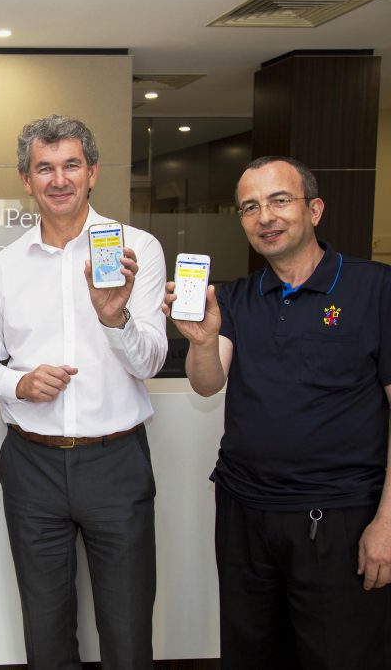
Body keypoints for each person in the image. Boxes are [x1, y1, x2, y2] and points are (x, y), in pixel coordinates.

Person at [163, 156, 391, 668]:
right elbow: (206, 384)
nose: (264, 216)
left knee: (341, 656)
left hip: (341, 519)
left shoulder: (375, 289)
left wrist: (389, 522)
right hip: (245, 514)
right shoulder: (239, 297)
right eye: (250, 207)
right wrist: (201, 339)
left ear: (315, 209)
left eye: (279, 200)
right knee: (251, 654)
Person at [0, 115, 167, 669]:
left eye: (71, 166)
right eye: (45, 168)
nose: (59, 180)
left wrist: (114, 318)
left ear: (93, 172)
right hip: (31, 465)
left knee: (128, 630)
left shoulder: (138, 249)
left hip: (117, 462)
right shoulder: (6, 267)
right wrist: (20, 383)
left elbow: (151, 359)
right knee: (46, 629)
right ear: (25, 180)